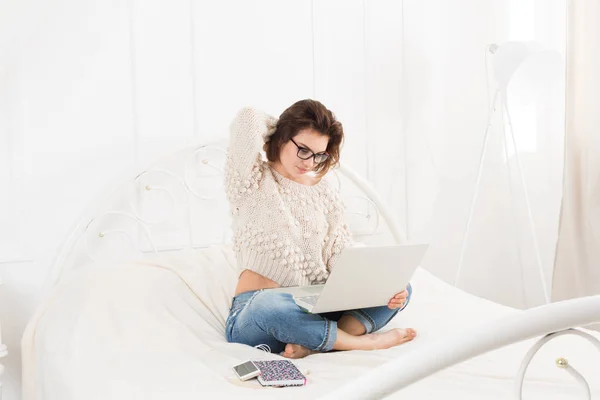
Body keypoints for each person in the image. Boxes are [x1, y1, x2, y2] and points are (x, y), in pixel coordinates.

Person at [224, 99, 415, 359]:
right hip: (258, 312)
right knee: (268, 305)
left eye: (319, 155)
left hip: (317, 307)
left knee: (400, 287)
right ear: (282, 137)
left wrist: (380, 286)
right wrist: (281, 128)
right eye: (303, 149)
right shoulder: (252, 180)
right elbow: (247, 119)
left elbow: (340, 253)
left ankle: (315, 342)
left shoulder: (324, 192)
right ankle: (363, 343)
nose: (310, 162)